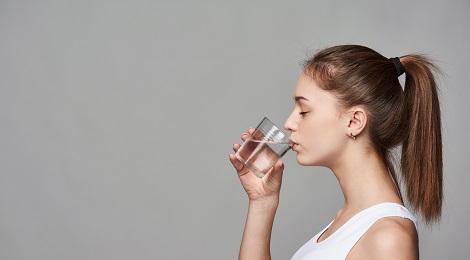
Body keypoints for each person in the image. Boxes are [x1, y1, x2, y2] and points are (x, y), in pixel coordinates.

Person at [228, 45, 443, 260]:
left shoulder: (388, 238)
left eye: (304, 111)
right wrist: (262, 203)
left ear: (354, 121)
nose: (289, 123)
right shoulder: (346, 224)